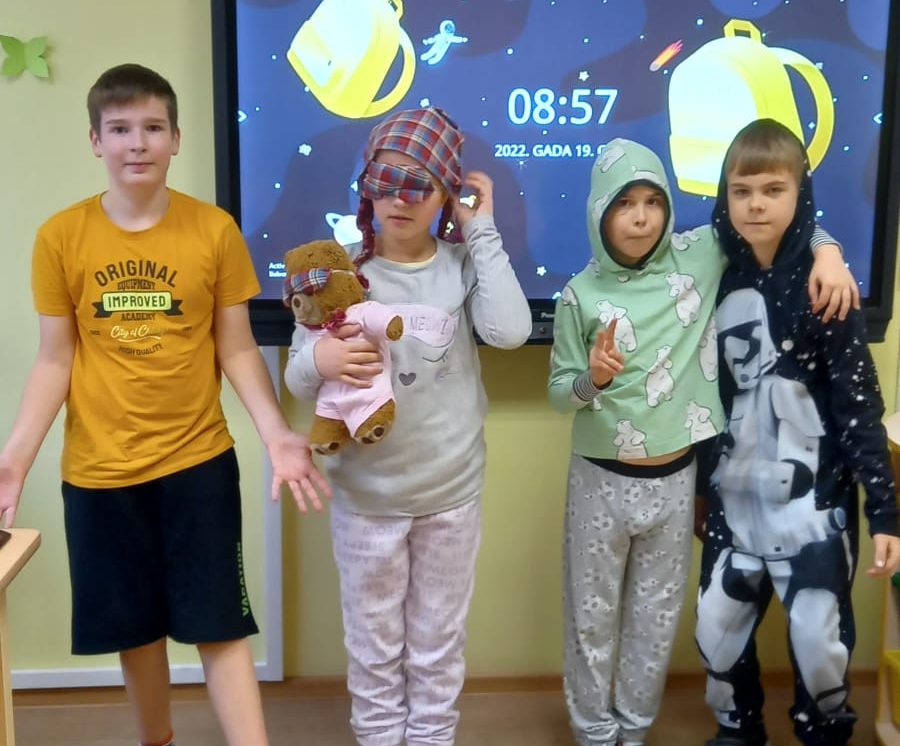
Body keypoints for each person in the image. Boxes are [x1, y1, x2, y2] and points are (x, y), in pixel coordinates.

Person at [0, 63, 329, 746]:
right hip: (99, 473)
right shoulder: (60, 237)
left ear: (176, 138)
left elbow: (237, 348)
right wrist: (15, 460)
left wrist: (276, 435)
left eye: (153, 127)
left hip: (197, 464)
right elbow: (55, 360)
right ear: (95, 140)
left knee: (219, 622)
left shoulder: (214, 231)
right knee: (135, 628)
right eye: (120, 129)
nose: (138, 143)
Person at [547, 137, 857, 746]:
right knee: (591, 619)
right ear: (599, 211)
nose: (641, 218)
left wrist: (829, 250)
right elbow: (560, 394)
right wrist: (593, 380)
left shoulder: (700, 254)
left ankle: (633, 730)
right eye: (624, 204)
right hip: (599, 481)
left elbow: (774, 221)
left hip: (676, 479)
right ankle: (594, 734)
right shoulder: (579, 294)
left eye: (653, 202)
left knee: (655, 621)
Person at [284, 106, 531, 746]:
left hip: (451, 495)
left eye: (420, 185)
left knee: (437, 642)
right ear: (366, 187)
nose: (400, 199)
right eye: (385, 181)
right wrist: (320, 359)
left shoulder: (461, 263)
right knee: (373, 645)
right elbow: (297, 376)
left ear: (446, 194)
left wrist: (482, 230)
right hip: (368, 501)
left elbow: (510, 331)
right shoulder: (338, 269)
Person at [694, 118, 900, 746]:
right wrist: (700, 489)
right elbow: (701, 398)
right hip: (734, 503)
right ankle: (738, 727)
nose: (756, 204)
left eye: (773, 190)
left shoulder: (825, 288)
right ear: (725, 196)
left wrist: (885, 512)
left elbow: (858, 408)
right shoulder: (711, 272)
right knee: (715, 627)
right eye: (741, 191)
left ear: (800, 193)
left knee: (819, 639)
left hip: (814, 509)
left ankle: (823, 729)